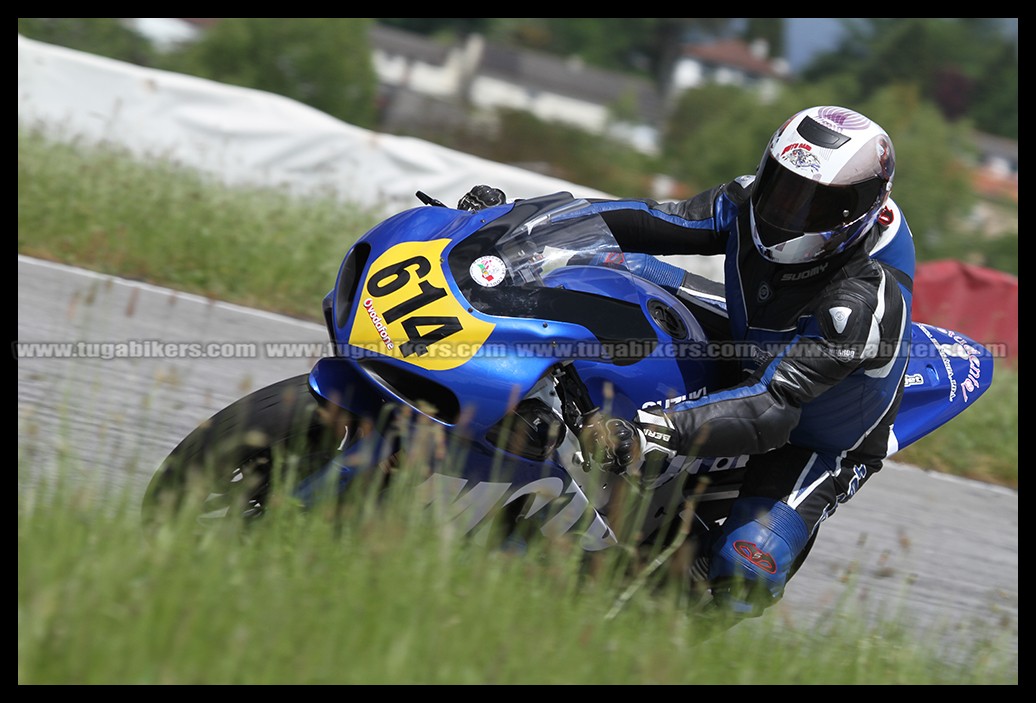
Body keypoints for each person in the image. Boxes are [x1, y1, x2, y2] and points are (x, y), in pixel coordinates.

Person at [459, 104, 916, 619]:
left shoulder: (861, 302)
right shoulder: (749, 202)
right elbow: (652, 220)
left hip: (814, 429)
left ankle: (678, 622)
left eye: (813, 205)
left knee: (747, 568)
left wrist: (654, 432)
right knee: (607, 264)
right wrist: (516, 222)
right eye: (782, 188)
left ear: (861, 211)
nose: (787, 212)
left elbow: (776, 405)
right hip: (752, 340)